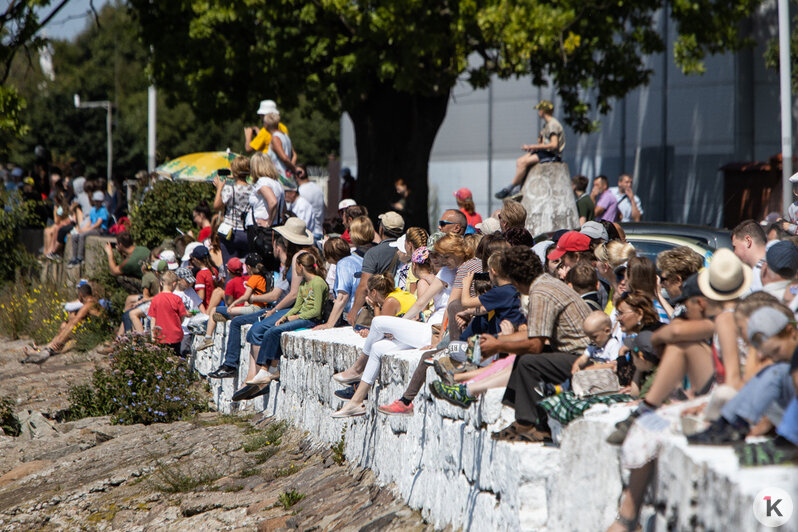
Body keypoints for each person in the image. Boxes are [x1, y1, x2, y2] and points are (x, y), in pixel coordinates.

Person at [245, 252, 328, 387]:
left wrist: (295, 317)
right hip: (302, 315)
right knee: (272, 329)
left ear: (301, 266)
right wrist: (284, 317)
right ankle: (270, 369)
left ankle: (265, 370)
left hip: (311, 319)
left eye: (295, 266)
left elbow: (316, 311)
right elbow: (297, 306)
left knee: (273, 332)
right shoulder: (303, 284)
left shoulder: (318, 283)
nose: (294, 270)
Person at [495, 99, 565, 199]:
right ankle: (517, 188)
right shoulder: (547, 124)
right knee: (520, 161)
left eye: (539, 110)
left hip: (551, 155)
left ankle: (510, 188)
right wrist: (536, 145)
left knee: (524, 163)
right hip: (544, 152)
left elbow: (554, 145)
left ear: (543, 111)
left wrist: (534, 146)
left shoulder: (553, 124)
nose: (538, 112)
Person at [21, 282, 104, 364]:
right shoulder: (92, 303)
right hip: (97, 330)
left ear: (81, 294)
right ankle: (47, 348)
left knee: (70, 325)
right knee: (66, 325)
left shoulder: (88, 305)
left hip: (99, 333)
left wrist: (58, 342)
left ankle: (50, 348)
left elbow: (74, 323)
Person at [345, 212, 404, 325]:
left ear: (381, 229)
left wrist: (353, 312)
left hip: (382, 307)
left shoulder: (373, 253)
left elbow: (364, 286)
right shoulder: (408, 250)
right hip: (403, 305)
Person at [213, 156, 252, 263]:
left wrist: (219, 187)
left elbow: (217, 206)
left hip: (230, 232)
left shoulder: (230, 189)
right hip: (247, 232)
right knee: (246, 268)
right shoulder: (253, 189)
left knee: (230, 267)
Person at [147, 271, 188, 358]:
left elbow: (153, 319)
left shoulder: (155, 299)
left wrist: (153, 335)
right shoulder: (177, 299)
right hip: (175, 335)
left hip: (160, 336)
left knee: (162, 360)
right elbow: (183, 316)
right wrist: (177, 323)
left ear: (161, 283)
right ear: (174, 284)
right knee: (175, 358)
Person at [68, 190, 109, 267]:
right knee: (75, 235)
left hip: (100, 230)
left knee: (82, 235)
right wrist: (82, 229)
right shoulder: (93, 209)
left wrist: (87, 230)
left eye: (99, 201)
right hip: (92, 228)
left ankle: (80, 257)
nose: (97, 203)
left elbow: (98, 224)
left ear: (101, 201)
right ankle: (74, 257)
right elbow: (90, 221)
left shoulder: (103, 210)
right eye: (96, 201)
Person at [731, 219, 767, 293]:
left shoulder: (759, 272)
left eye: (735, 247)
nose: (734, 253)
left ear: (748, 241)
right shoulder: (775, 263)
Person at [265, 113, 303, 182]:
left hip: (280, 180)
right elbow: (294, 155)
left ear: (266, 124)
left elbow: (284, 158)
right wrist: (290, 169)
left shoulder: (275, 138)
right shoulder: (285, 135)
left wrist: (294, 169)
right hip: (289, 178)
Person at [295, 166, 325, 240]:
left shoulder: (301, 190)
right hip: (319, 232)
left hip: (307, 234)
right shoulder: (318, 189)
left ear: (301, 173)